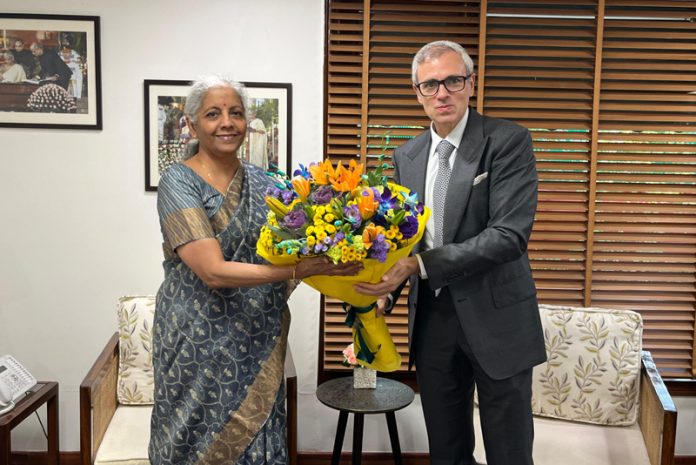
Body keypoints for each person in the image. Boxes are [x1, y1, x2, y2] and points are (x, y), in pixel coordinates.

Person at [149, 75, 362, 465]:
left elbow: (294, 254)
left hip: (255, 335)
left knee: (257, 437)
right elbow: (212, 271)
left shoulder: (267, 183)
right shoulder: (177, 181)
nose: (226, 122)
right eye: (213, 114)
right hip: (194, 341)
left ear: (248, 123)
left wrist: (358, 281)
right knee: (189, 439)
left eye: (236, 113)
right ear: (193, 125)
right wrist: (295, 271)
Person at [354, 40, 546, 465]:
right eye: (429, 85)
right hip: (433, 323)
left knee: (509, 453)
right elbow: (404, 239)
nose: (442, 93)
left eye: (452, 80)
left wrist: (419, 265)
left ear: (471, 83)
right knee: (446, 452)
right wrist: (385, 290)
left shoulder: (507, 141)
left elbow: (509, 235)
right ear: (416, 92)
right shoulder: (407, 155)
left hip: (499, 321)